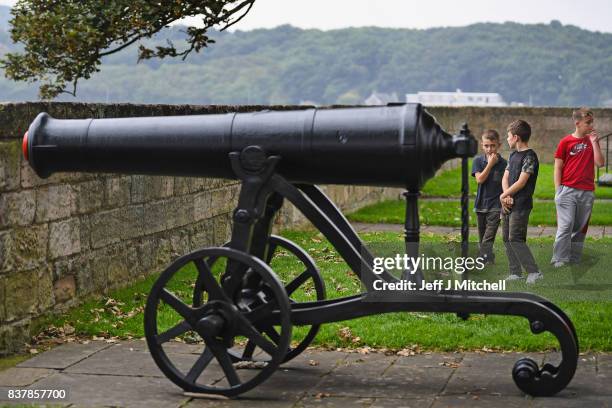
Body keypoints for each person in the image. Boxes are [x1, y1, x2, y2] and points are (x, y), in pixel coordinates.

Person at [551, 108, 605, 267]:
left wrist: (595, 142)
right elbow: (558, 167)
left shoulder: (592, 141)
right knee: (566, 225)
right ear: (577, 123)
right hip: (567, 190)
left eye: (591, 122)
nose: (591, 125)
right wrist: (558, 190)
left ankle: (574, 259)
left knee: (580, 227)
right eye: (588, 122)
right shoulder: (565, 142)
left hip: (587, 191)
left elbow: (600, 163)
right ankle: (559, 259)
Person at [499, 120, 542, 284]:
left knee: (515, 238)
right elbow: (506, 176)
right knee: (506, 238)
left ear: (516, 137)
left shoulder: (530, 156)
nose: (507, 139)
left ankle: (534, 271)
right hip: (508, 202)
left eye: (508, 136)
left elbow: (522, 181)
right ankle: (515, 272)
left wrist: (504, 195)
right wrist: (505, 195)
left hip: (521, 204)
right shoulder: (512, 155)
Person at [471, 129, 507, 265]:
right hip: (481, 205)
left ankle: (479, 261)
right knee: (482, 238)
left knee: (488, 237)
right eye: (486, 146)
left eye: (492, 146)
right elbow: (479, 180)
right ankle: (489, 258)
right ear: (482, 145)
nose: (489, 149)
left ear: (499, 145)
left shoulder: (504, 164)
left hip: (496, 206)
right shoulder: (478, 161)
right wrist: (490, 164)